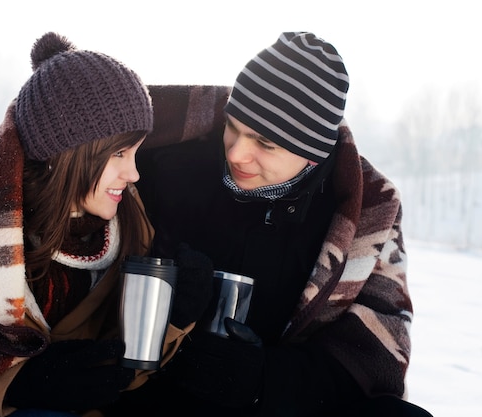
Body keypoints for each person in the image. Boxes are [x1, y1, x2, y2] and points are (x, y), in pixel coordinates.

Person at [111, 32, 434, 416]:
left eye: (264, 143)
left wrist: (263, 380)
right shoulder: (165, 164)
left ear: (313, 154)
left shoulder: (367, 211)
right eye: (233, 126)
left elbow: (374, 357)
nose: (236, 152)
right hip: (156, 394)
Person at [0, 32, 212, 417]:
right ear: (67, 153)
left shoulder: (130, 222)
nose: (134, 173)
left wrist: (174, 318)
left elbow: (119, 371)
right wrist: (17, 384)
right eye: (119, 152)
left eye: (136, 151)